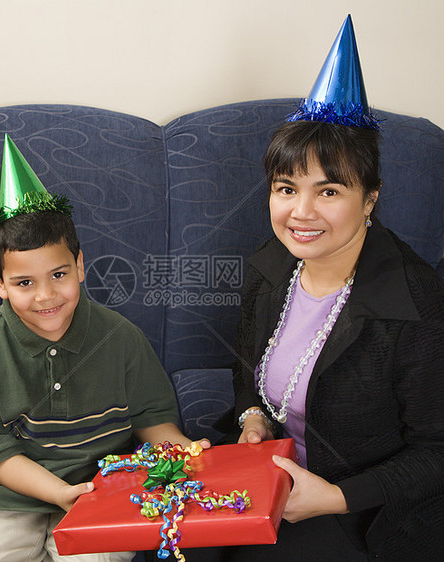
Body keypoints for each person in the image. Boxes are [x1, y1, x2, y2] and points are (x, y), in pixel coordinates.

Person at [185, 15, 444, 562]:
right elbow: (245, 367)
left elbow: (437, 450)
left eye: (328, 191)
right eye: (286, 188)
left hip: (360, 509)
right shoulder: (270, 265)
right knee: (176, 548)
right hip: (265, 473)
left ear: (370, 198)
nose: (301, 213)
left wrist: (336, 496)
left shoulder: (418, 305)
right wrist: (251, 416)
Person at [0, 135, 207, 561]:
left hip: (99, 486)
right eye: (24, 283)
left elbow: (152, 418)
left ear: (81, 266)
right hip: (6, 495)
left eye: (59, 275)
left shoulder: (120, 336)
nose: (46, 296)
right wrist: (58, 492)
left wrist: (182, 451)